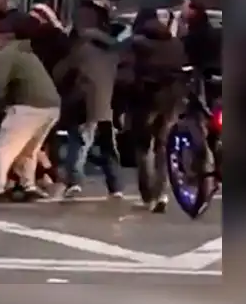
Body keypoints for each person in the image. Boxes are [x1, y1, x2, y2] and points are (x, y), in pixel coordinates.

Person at [0, 17, 62, 199]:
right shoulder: (26, 51)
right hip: (52, 107)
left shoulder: (7, 53)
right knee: (29, 149)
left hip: (29, 106)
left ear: (1, 37)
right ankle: (28, 184)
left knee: (3, 146)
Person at [122, 14, 189, 213]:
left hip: (146, 100)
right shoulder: (176, 44)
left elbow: (125, 74)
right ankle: (162, 194)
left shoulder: (137, 45)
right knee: (163, 146)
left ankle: (148, 195)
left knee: (143, 148)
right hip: (173, 100)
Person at [51, 24, 123, 200]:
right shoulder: (112, 54)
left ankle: (75, 182)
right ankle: (116, 186)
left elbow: (59, 73)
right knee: (108, 148)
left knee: (79, 144)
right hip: (106, 107)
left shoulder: (80, 51)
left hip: (84, 106)